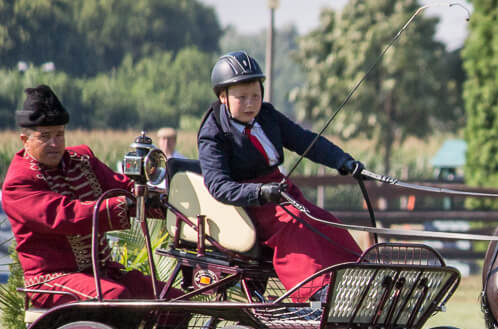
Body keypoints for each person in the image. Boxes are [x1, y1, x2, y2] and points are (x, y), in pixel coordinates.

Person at [197, 51, 364, 302]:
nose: (251, 103)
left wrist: (343, 160)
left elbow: (305, 141)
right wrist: (259, 193)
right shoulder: (213, 133)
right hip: (247, 205)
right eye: (242, 98)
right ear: (223, 97)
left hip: (279, 191)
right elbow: (218, 186)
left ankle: (358, 280)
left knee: (324, 220)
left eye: (255, 95)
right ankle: (316, 291)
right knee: (295, 223)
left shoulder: (267, 116)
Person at [2, 85, 164, 308]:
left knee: (172, 299)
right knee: (115, 296)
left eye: (60, 134)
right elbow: (67, 215)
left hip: (103, 272)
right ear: (24, 140)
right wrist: (122, 204)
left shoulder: (82, 159)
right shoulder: (19, 182)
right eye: (45, 136)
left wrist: (160, 200)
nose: (54, 143)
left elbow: (122, 187)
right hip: (50, 279)